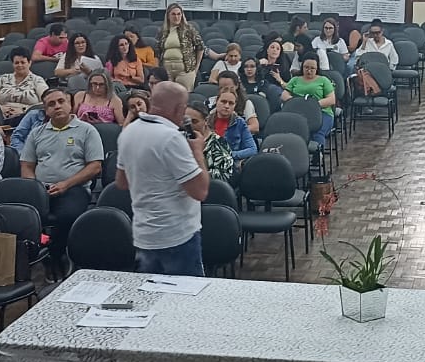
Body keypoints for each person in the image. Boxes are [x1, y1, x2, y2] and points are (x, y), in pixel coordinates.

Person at [115, 80, 209, 276]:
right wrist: (198, 152)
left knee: (151, 300)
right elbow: (200, 191)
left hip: (144, 234)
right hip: (177, 236)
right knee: (182, 302)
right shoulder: (172, 138)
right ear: (180, 108)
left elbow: (121, 183)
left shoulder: (128, 132)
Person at [22, 87, 105, 263]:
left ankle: (57, 257)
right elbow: (27, 165)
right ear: (46, 110)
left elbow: (95, 167)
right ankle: (29, 257)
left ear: (70, 104)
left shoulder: (87, 131)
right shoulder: (37, 133)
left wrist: (65, 184)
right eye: (51, 104)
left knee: (66, 216)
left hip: (73, 188)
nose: (57, 107)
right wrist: (35, 187)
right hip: (41, 189)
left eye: (61, 102)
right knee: (21, 215)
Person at [156, 3, 205, 90]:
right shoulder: (162, 31)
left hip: (185, 70)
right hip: (167, 69)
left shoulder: (189, 29)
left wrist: (196, 68)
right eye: (173, 14)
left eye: (179, 14)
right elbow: (158, 51)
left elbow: (200, 47)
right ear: (168, 16)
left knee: (184, 96)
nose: (176, 17)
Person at [287, 56, 337, 139]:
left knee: (317, 134)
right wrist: (297, 103)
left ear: (317, 68)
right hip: (299, 112)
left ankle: (318, 151)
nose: (309, 70)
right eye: (306, 67)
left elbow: (331, 100)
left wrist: (312, 105)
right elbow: (284, 95)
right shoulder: (295, 80)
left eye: (312, 68)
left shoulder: (324, 80)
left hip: (322, 113)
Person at [0, 48, 48, 120]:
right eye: (16, 63)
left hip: (27, 117)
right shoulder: (4, 78)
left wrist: (24, 110)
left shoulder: (37, 80)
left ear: (29, 63)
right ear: (12, 64)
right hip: (1, 116)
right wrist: (0, 109)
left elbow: (46, 100)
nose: (19, 65)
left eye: (23, 62)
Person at [207, 90, 257, 164]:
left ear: (235, 105)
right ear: (216, 101)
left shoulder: (240, 123)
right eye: (223, 102)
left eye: (231, 103)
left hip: (230, 164)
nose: (227, 106)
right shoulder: (206, 121)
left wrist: (229, 154)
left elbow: (252, 149)